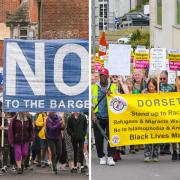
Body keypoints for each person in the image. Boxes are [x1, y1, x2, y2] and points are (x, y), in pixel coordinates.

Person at [92, 67, 117, 166]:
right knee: (98, 138)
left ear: (107, 77)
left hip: (111, 117)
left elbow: (119, 100)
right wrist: (93, 114)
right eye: (101, 76)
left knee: (112, 137)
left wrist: (112, 95)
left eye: (104, 76)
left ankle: (110, 156)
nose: (102, 78)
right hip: (97, 116)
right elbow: (91, 102)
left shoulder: (113, 87)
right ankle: (101, 156)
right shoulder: (94, 87)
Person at [144, 78, 160, 162]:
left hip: (157, 119)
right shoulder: (144, 93)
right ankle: (147, 155)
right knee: (147, 137)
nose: (151, 88)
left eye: (153, 86)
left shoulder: (159, 94)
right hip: (147, 119)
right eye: (149, 86)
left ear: (155, 86)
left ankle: (155, 155)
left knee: (156, 138)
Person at [159, 70, 174, 155]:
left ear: (167, 78)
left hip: (168, 111)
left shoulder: (171, 87)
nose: (162, 80)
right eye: (161, 78)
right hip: (160, 111)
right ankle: (161, 147)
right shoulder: (158, 86)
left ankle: (167, 147)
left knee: (168, 129)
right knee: (161, 129)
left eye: (164, 78)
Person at [171, 76, 180, 160]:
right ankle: (174, 152)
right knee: (174, 135)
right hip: (173, 117)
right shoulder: (171, 92)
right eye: (176, 81)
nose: (178, 83)